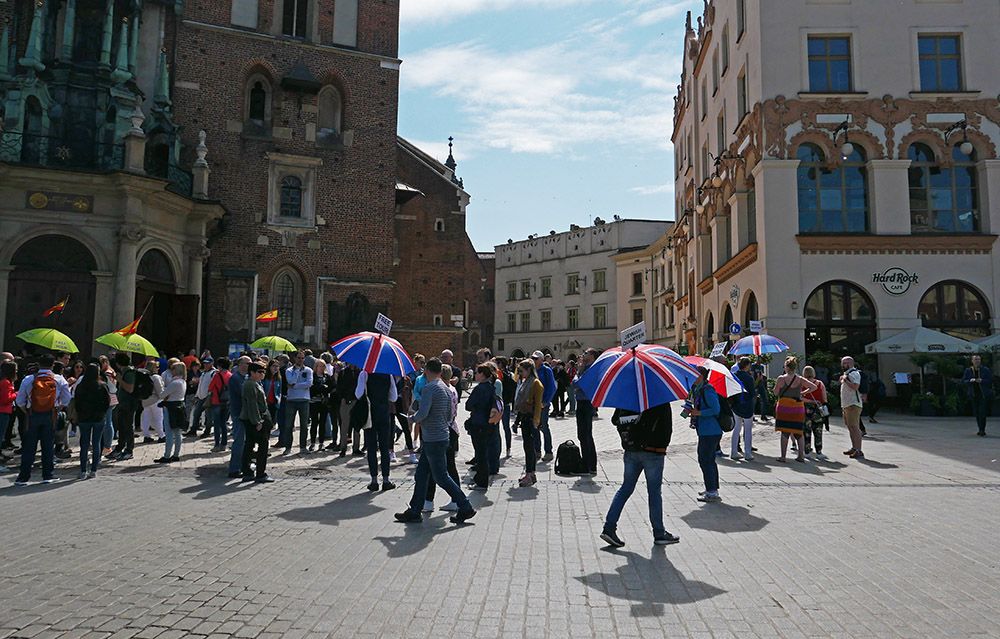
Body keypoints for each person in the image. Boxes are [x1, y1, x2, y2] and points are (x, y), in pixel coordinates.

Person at [394, 358, 476, 524]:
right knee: (422, 474)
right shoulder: (446, 388)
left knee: (441, 477)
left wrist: (411, 418)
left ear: (426, 371)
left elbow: (422, 414)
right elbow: (448, 415)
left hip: (432, 438)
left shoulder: (429, 388)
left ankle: (465, 506)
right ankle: (415, 510)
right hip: (441, 435)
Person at [600, 401, 678, 548]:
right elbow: (666, 428)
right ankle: (659, 533)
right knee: (654, 493)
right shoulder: (659, 399)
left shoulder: (628, 397)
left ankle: (609, 528)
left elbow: (615, 420)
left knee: (625, 489)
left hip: (632, 449)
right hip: (654, 452)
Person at [14, 354, 72, 485]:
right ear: (53, 365)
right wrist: (58, 408)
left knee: (29, 446)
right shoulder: (59, 379)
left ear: (39, 364)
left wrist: (26, 411)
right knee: (48, 445)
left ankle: (23, 477)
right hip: (50, 415)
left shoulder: (29, 379)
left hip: (31, 415)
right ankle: (47, 475)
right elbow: (67, 399)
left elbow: (19, 401)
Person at [424, 364, 463, 511]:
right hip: (450, 428)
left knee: (443, 469)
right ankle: (430, 499)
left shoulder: (443, 390)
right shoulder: (450, 389)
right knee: (445, 467)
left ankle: (456, 500)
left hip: (443, 430)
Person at [357, 368, 397, 491]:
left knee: (371, 447)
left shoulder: (364, 374)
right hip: (384, 413)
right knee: (385, 447)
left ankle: (374, 480)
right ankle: (386, 480)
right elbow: (394, 397)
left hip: (370, 414)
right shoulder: (388, 374)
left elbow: (358, 394)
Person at [690, 365, 723, 503]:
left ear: (701, 376)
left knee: (705, 460)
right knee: (708, 460)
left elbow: (716, 409)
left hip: (711, 431)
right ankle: (711, 488)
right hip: (705, 430)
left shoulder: (707, 390)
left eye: (694, 374)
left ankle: (712, 491)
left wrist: (699, 413)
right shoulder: (698, 389)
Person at [773, 357, 816, 463]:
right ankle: (801, 456)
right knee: (799, 432)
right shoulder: (800, 379)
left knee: (784, 432)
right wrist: (802, 393)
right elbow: (813, 387)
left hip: (784, 407)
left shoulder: (781, 379)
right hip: (797, 407)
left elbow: (775, 393)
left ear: (787, 367)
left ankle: (783, 457)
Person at [72, 363, 110, 479]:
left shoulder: (80, 386)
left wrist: (79, 413)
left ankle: (83, 470)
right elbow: (107, 402)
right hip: (98, 417)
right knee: (96, 443)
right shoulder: (102, 385)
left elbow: (76, 402)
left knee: (84, 444)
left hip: (84, 417)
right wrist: (102, 412)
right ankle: (93, 470)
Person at [240, 362, 274, 483]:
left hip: (256, 418)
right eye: (260, 372)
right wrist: (257, 421)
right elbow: (252, 405)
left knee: (251, 445)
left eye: (263, 372)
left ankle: (249, 471)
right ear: (252, 372)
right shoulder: (250, 385)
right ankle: (259, 473)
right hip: (254, 420)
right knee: (261, 446)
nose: (262, 374)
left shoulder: (255, 383)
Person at [464, 365, 496, 491]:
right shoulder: (491, 386)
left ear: (482, 374)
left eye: (477, 372)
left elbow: (468, 405)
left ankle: (482, 482)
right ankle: (481, 478)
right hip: (488, 423)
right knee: (484, 452)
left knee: (481, 454)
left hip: (478, 423)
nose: (475, 375)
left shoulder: (479, 388)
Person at [514, 359, 545, 487]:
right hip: (525, 418)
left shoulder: (536, 383)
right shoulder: (525, 382)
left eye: (522, 370)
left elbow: (538, 404)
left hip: (531, 418)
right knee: (527, 447)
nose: (520, 373)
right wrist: (517, 421)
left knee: (530, 448)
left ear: (528, 370)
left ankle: (529, 474)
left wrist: (536, 421)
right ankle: (530, 473)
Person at [155, 362, 187, 463]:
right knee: (177, 432)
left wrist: (159, 388)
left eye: (173, 369)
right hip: (179, 406)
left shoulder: (175, 383)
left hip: (171, 408)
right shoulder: (182, 381)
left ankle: (167, 456)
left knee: (169, 432)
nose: (171, 370)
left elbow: (162, 395)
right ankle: (176, 454)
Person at [573, 348, 599, 475]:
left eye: (586, 353)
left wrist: (578, 377)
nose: (583, 355)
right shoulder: (584, 367)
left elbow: (579, 383)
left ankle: (589, 466)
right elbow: (574, 382)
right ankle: (588, 464)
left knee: (586, 434)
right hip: (581, 401)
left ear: (592, 355)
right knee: (582, 434)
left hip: (587, 402)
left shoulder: (592, 368)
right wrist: (579, 371)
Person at [283, 351, 313, 456]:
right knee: (288, 425)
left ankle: (303, 447)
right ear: (295, 358)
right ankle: (288, 447)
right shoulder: (289, 370)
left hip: (304, 399)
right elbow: (290, 381)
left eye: (302, 358)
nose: (301, 360)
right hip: (291, 400)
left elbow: (309, 383)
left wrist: (295, 386)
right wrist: (297, 372)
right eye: (299, 358)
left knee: (304, 425)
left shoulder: (309, 370)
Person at [227, 356, 250, 478]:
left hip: (245, 413)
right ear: (241, 364)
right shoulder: (235, 378)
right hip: (238, 413)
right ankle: (234, 469)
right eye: (247, 363)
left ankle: (242, 464)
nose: (249, 365)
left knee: (245, 441)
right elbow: (244, 394)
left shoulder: (245, 377)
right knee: (239, 441)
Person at [531, 351, 556, 461]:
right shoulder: (531, 370)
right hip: (532, 404)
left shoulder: (546, 370)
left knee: (544, 427)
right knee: (534, 427)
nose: (534, 360)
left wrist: (546, 402)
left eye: (536, 358)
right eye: (533, 358)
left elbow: (552, 387)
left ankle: (548, 451)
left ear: (541, 360)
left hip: (543, 404)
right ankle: (537, 451)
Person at [730, 357, 755, 461]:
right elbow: (752, 393)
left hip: (736, 405)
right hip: (747, 405)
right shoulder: (749, 378)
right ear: (747, 365)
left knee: (736, 429)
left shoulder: (734, 376)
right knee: (748, 430)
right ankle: (748, 453)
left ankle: (734, 452)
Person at [840, 356, 865, 459]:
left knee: (855, 427)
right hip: (847, 404)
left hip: (853, 404)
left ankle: (858, 450)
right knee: (850, 427)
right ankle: (854, 448)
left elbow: (855, 387)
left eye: (844, 363)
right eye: (842, 363)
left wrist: (845, 380)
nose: (842, 365)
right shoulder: (847, 374)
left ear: (849, 363)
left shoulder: (854, 373)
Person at [801, 366, 828, 460]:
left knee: (806, 431)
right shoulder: (820, 383)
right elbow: (824, 398)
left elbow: (800, 397)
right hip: (818, 410)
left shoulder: (802, 384)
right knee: (818, 431)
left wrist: (809, 401)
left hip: (806, 410)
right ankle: (819, 452)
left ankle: (807, 451)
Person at [963, 354, 993, 437]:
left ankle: (982, 430)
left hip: (983, 394)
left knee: (982, 412)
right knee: (977, 412)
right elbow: (964, 381)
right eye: (975, 359)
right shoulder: (968, 370)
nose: (977, 361)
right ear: (972, 361)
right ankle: (979, 428)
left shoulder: (985, 370)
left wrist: (982, 381)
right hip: (973, 394)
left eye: (978, 359)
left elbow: (990, 380)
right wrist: (970, 381)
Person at [207, 357, 232, 452]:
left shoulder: (217, 375)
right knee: (223, 423)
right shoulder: (230, 375)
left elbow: (210, 387)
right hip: (227, 402)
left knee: (217, 424)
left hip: (216, 401)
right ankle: (224, 444)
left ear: (220, 366)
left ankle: (217, 444)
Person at [307, 360, 331, 452]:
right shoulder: (313, 376)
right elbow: (311, 388)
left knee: (323, 423)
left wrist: (325, 389)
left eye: (323, 366)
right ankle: (312, 443)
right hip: (314, 401)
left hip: (323, 402)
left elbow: (331, 387)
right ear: (316, 367)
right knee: (314, 422)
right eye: (319, 366)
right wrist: (319, 388)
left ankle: (321, 442)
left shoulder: (327, 377)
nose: (321, 368)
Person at [140, 360, 166, 443]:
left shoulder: (143, 376)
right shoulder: (156, 377)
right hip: (155, 400)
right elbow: (160, 391)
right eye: (157, 367)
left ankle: (146, 436)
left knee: (146, 419)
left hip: (145, 400)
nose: (158, 369)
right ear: (154, 368)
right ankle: (161, 436)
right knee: (158, 419)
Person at [0, 361, 17, 471]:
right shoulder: (5, 382)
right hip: (3, 411)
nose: (16, 372)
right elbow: (5, 399)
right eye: (15, 370)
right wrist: (16, 394)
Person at [263, 359, 283, 434]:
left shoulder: (278, 378)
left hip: (274, 402)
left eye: (277, 366)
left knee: (271, 422)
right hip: (265, 402)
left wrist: (279, 401)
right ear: (269, 367)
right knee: (265, 422)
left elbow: (279, 391)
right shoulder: (265, 377)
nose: (275, 368)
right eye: (273, 366)